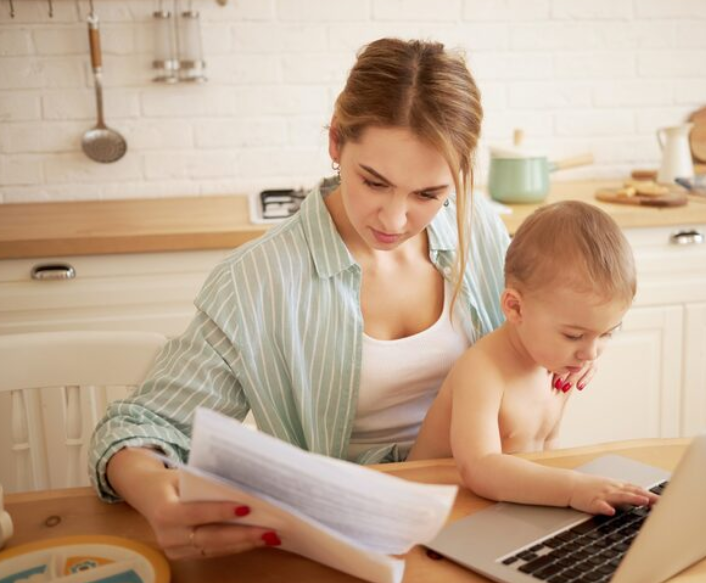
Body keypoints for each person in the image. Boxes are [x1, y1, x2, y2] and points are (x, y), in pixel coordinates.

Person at [88, 38, 594, 560]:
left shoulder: (481, 230)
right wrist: (156, 496)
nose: (395, 220)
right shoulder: (258, 281)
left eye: (428, 195)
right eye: (374, 182)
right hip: (351, 544)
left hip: (491, 515)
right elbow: (140, 426)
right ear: (335, 142)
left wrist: (569, 349)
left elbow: (540, 331)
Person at [408, 201, 658, 515]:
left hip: (503, 509)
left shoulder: (556, 363)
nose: (590, 354)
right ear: (515, 308)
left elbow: (546, 453)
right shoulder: (482, 371)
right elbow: (479, 467)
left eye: (606, 333)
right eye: (574, 335)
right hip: (431, 513)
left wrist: (572, 497)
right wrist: (573, 488)